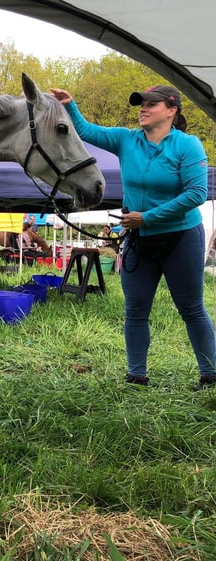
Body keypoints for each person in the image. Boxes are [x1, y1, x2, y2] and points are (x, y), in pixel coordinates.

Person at [51, 84, 216, 389]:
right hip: (140, 240)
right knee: (135, 310)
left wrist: (147, 217)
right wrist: (69, 104)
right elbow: (86, 130)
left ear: (171, 110)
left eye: (150, 104)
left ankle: (210, 375)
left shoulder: (188, 146)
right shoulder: (127, 140)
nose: (143, 108)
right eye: (141, 103)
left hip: (181, 237)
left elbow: (196, 194)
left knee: (191, 308)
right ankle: (136, 375)